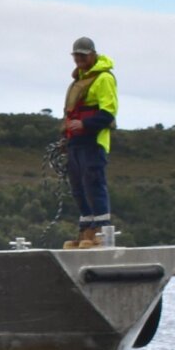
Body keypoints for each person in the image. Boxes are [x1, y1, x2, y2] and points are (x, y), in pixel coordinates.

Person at [62, 36, 118, 248]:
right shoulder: (78, 80)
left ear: (93, 55)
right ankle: (86, 233)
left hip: (93, 142)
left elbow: (107, 114)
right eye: (76, 55)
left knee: (94, 185)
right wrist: (65, 137)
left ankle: (101, 234)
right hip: (75, 143)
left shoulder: (104, 78)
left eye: (83, 55)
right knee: (78, 188)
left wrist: (84, 125)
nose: (79, 59)